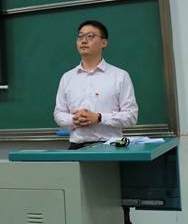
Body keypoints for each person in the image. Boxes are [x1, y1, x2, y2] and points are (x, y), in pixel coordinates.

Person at [53, 20, 138, 150]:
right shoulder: (67, 77)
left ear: (104, 43)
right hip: (76, 147)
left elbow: (131, 116)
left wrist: (99, 118)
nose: (83, 41)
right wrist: (74, 119)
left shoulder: (120, 76)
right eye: (80, 36)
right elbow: (59, 113)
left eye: (90, 36)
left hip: (111, 147)